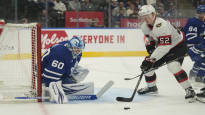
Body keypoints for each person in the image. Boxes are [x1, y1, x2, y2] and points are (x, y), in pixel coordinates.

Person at [137, 5, 196, 102]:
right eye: (142, 17)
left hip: (178, 46)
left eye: (146, 16)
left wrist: (151, 59)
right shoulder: (144, 26)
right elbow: (149, 38)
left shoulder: (161, 25)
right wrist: (150, 49)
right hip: (164, 46)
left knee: (173, 66)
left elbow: (165, 47)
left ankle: (189, 89)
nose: (144, 19)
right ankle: (152, 87)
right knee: (147, 68)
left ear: (153, 14)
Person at [41, 36, 93, 104]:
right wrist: (49, 87)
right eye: (76, 49)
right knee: (52, 81)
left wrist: (70, 77)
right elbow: (49, 75)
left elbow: (70, 66)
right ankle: (44, 85)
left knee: (83, 72)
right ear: (70, 47)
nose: (78, 51)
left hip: (56, 69)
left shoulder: (76, 52)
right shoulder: (60, 52)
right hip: (43, 74)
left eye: (79, 49)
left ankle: (67, 84)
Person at [184, 5, 205, 100]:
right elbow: (190, 37)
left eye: (204, 13)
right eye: (200, 13)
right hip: (193, 48)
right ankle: (198, 76)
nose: (202, 15)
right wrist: (202, 38)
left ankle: (196, 75)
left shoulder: (202, 22)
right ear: (197, 13)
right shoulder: (193, 22)